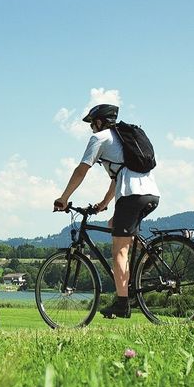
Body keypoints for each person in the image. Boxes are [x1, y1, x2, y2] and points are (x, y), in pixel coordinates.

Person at [53, 103, 160, 319]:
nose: (91, 128)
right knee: (114, 225)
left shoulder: (100, 138)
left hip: (130, 196)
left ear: (99, 122)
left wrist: (64, 198)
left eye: (92, 123)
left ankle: (122, 303)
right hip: (150, 193)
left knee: (119, 251)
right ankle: (149, 254)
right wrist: (103, 204)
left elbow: (81, 169)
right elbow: (118, 177)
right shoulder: (122, 139)